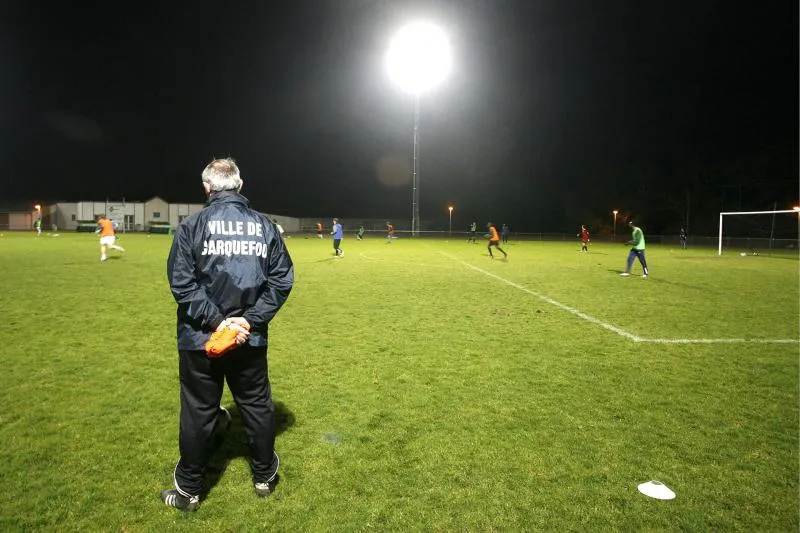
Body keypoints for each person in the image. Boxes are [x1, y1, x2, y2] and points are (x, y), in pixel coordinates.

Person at [162, 158, 294, 512]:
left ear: (207, 187)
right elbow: (282, 280)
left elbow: (181, 282)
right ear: (240, 184)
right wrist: (249, 321)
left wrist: (219, 322)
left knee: (198, 411)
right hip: (248, 339)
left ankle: (189, 491)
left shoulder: (192, 225)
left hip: (199, 339)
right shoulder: (265, 227)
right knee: (256, 406)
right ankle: (264, 476)